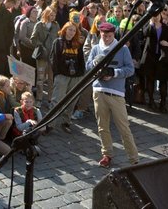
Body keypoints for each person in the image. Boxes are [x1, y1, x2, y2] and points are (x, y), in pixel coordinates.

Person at [87, 22, 138, 168]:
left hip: (116, 93)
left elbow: (130, 69)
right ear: (100, 34)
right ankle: (107, 154)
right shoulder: (96, 48)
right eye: (104, 36)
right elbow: (88, 66)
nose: (106, 39)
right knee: (102, 126)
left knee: (124, 128)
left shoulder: (122, 49)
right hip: (99, 91)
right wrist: (96, 68)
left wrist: (114, 73)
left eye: (109, 36)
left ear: (113, 34)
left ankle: (133, 158)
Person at [50, 21, 86, 133]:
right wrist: (57, 74)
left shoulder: (77, 44)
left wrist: (80, 75)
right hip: (62, 76)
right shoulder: (58, 42)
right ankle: (50, 124)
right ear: (65, 29)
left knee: (72, 101)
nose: (71, 32)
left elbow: (81, 60)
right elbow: (53, 59)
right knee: (57, 100)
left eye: (74, 30)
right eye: (70, 29)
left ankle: (66, 122)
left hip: (75, 77)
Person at [31, 7, 60, 110]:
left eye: (54, 15)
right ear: (46, 14)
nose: (53, 17)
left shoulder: (56, 25)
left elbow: (58, 39)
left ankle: (50, 99)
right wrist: (40, 46)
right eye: (51, 15)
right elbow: (33, 39)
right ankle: (39, 98)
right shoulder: (39, 25)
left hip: (52, 56)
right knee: (40, 78)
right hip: (42, 56)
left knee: (52, 78)